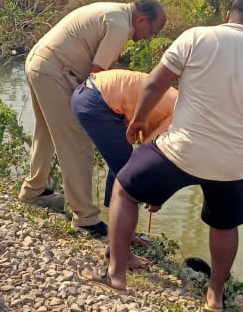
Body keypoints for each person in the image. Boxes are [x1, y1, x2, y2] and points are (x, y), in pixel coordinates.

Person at [80, 0, 243, 312]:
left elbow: (154, 85)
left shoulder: (197, 38)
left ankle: (117, 275)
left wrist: (137, 121)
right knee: (224, 225)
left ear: (229, 16)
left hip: (181, 150)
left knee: (125, 188)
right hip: (233, 164)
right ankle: (215, 296)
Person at [19, 0, 166, 237]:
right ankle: (85, 217)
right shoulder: (120, 26)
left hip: (40, 63)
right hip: (54, 71)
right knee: (77, 143)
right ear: (141, 20)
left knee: (45, 132)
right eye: (153, 30)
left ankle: (34, 190)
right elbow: (97, 76)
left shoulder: (114, 12)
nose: (150, 36)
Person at [72, 68, 177, 208]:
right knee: (129, 171)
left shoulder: (182, 102)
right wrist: (155, 195)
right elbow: (150, 150)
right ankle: (118, 225)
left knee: (123, 160)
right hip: (97, 99)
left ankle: (113, 219)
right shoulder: (182, 115)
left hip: (92, 92)